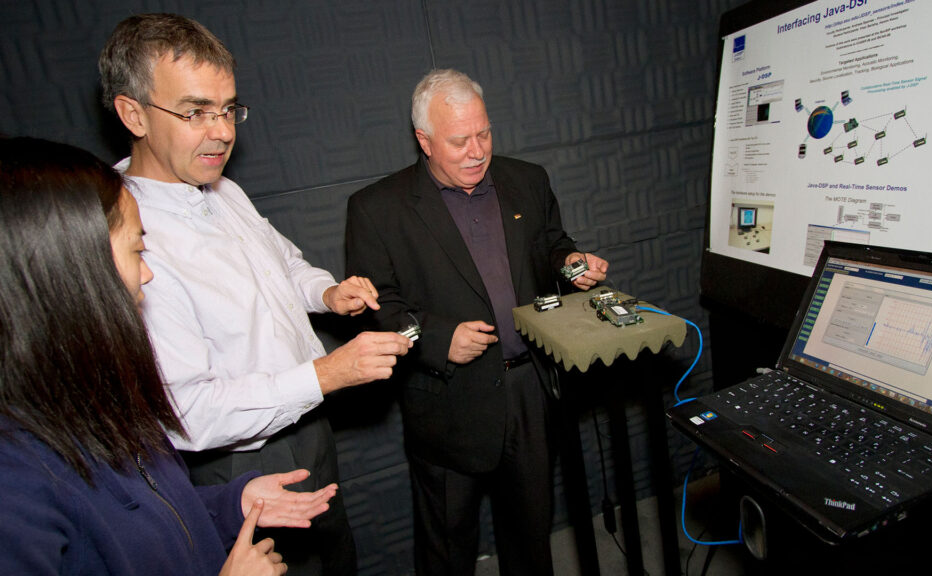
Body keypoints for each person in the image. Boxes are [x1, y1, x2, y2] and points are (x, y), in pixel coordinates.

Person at [98, 14, 413, 574]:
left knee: (334, 555)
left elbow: (285, 263)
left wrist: (327, 292)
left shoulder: (221, 187)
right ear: (132, 113)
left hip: (306, 421)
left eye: (228, 109)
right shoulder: (125, 235)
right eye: (196, 111)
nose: (222, 131)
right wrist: (326, 375)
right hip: (235, 463)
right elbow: (188, 414)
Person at [0, 137, 338, 576]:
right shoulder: (16, 481)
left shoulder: (97, 396)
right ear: (70, 273)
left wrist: (230, 504)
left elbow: (157, 513)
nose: (147, 273)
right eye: (137, 250)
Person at [345, 69, 610, 576]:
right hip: (447, 405)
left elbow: (552, 244)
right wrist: (438, 340)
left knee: (531, 536)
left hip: (530, 391)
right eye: (459, 140)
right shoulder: (376, 209)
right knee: (447, 546)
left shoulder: (528, 180)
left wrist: (571, 263)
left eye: (484, 133)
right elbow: (381, 310)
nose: (477, 151)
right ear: (424, 141)